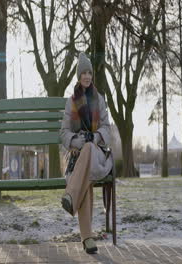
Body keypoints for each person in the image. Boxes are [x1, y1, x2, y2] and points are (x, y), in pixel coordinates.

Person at [60, 52, 113, 254]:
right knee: (85, 178)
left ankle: (70, 196)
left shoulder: (99, 99)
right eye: (83, 72)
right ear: (78, 76)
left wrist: (95, 137)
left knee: (90, 149)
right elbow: (64, 132)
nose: (87, 76)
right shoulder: (71, 102)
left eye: (89, 72)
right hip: (78, 156)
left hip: (98, 154)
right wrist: (78, 140)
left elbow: (107, 128)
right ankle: (87, 239)